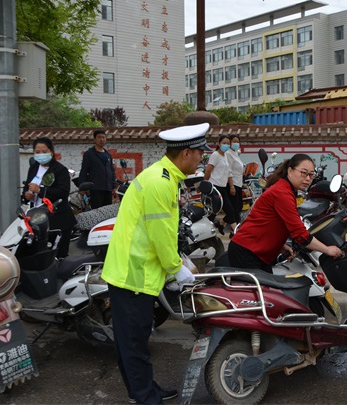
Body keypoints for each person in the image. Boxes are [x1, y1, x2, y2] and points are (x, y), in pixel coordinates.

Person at [101, 123, 211, 405]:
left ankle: (145, 388)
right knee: (133, 342)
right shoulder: (160, 182)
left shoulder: (163, 177)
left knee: (134, 339)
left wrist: (177, 262)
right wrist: (176, 268)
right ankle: (144, 396)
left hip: (136, 271)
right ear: (186, 153)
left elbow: (162, 231)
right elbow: (160, 235)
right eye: (200, 154)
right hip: (133, 274)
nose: (202, 159)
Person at [225, 154, 343, 272]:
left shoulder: (286, 189)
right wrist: (327, 249)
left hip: (256, 251)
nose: (308, 178)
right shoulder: (282, 193)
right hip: (247, 251)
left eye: (311, 175)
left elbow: (272, 222)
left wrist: (280, 246)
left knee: (270, 289)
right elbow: (300, 234)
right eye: (304, 173)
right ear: (290, 171)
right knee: (259, 290)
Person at [23, 137, 77, 259]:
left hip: (58, 219)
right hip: (37, 219)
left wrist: (40, 191)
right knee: (40, 256)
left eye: (44, 151)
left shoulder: (60, 170)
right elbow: (27, 187)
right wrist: (27, 195)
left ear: (51, 152)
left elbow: (63, 192)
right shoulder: (33, 168)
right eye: (37, 152)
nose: (40, 155)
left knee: (59, 255)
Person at [204, 134, 239, 235]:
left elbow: (228, 173)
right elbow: (208, 171)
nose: (226, 145)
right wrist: (205, 185)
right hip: (215, 187)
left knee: (230, 210)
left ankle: (236, 233)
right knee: (213, 212)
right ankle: (206, 231)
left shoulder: (226, 156)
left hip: (223, 187)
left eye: (228, 143)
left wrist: (231, 186)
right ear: (219, 144)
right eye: (224, 143)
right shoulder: (215, 155)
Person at [79, 130, 116, 209]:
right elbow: (84, 170)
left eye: (103, 137)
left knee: (107, 211)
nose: (101, 139)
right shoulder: (89, 154)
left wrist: (113, 186)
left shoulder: (108, 155)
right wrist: (82, 187)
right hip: (95, 188)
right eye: (99, 137)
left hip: (107, 188)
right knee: (97, 211)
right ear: (94, 140)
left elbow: (112, 171)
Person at [225, 133, 244, 233]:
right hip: (233, 184)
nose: (236, 143)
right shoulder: (228, 153)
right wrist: (231, 186)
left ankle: (221, 223)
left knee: (238, 207)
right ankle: (237, 230)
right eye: (234, 141)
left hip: (239, 183)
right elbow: (229, 171)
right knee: (235, 208)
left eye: (238, 142)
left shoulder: (235, 153)